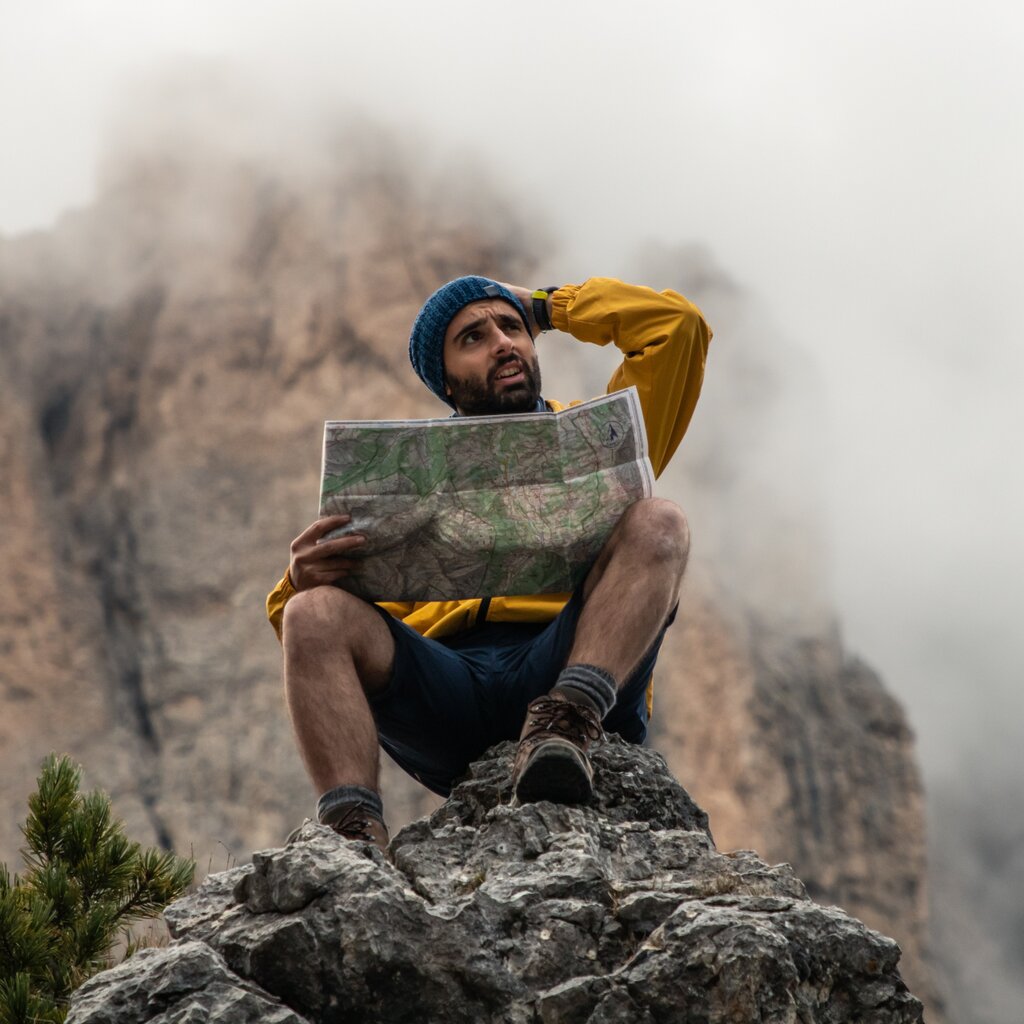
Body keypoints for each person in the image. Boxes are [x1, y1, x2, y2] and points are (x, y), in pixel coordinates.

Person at [266, 277, 711, 851]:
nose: (502, 343)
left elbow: (679, 329)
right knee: (311, 612)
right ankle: (352, 834)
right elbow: (293, 622)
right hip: (448, 689)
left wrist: (547, 306)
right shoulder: (404, 483)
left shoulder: (605, 440)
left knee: (661, 521)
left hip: (572, 663)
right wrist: (298, 580)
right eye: (472, 337)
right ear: (445, 380)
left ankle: (564, 725)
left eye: (512, 329)